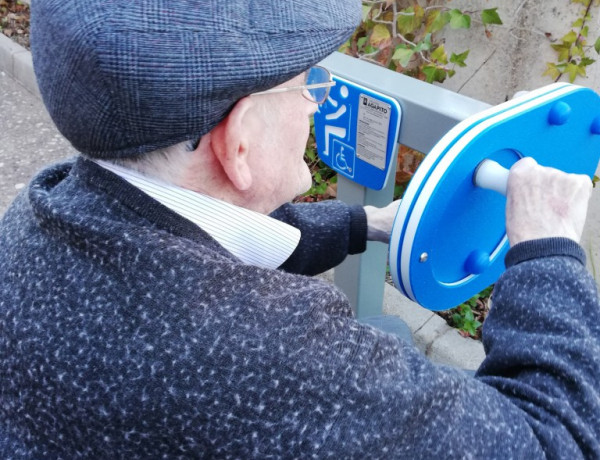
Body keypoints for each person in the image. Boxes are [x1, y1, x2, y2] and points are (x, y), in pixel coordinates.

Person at [0, 0, 598, 458]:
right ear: (238, 144)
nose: (316, 104)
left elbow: (218, 239)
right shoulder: (267, 360)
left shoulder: (42, 214)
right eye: (306, 85)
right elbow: (553, 440)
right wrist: (547, 251)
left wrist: (369, 223)